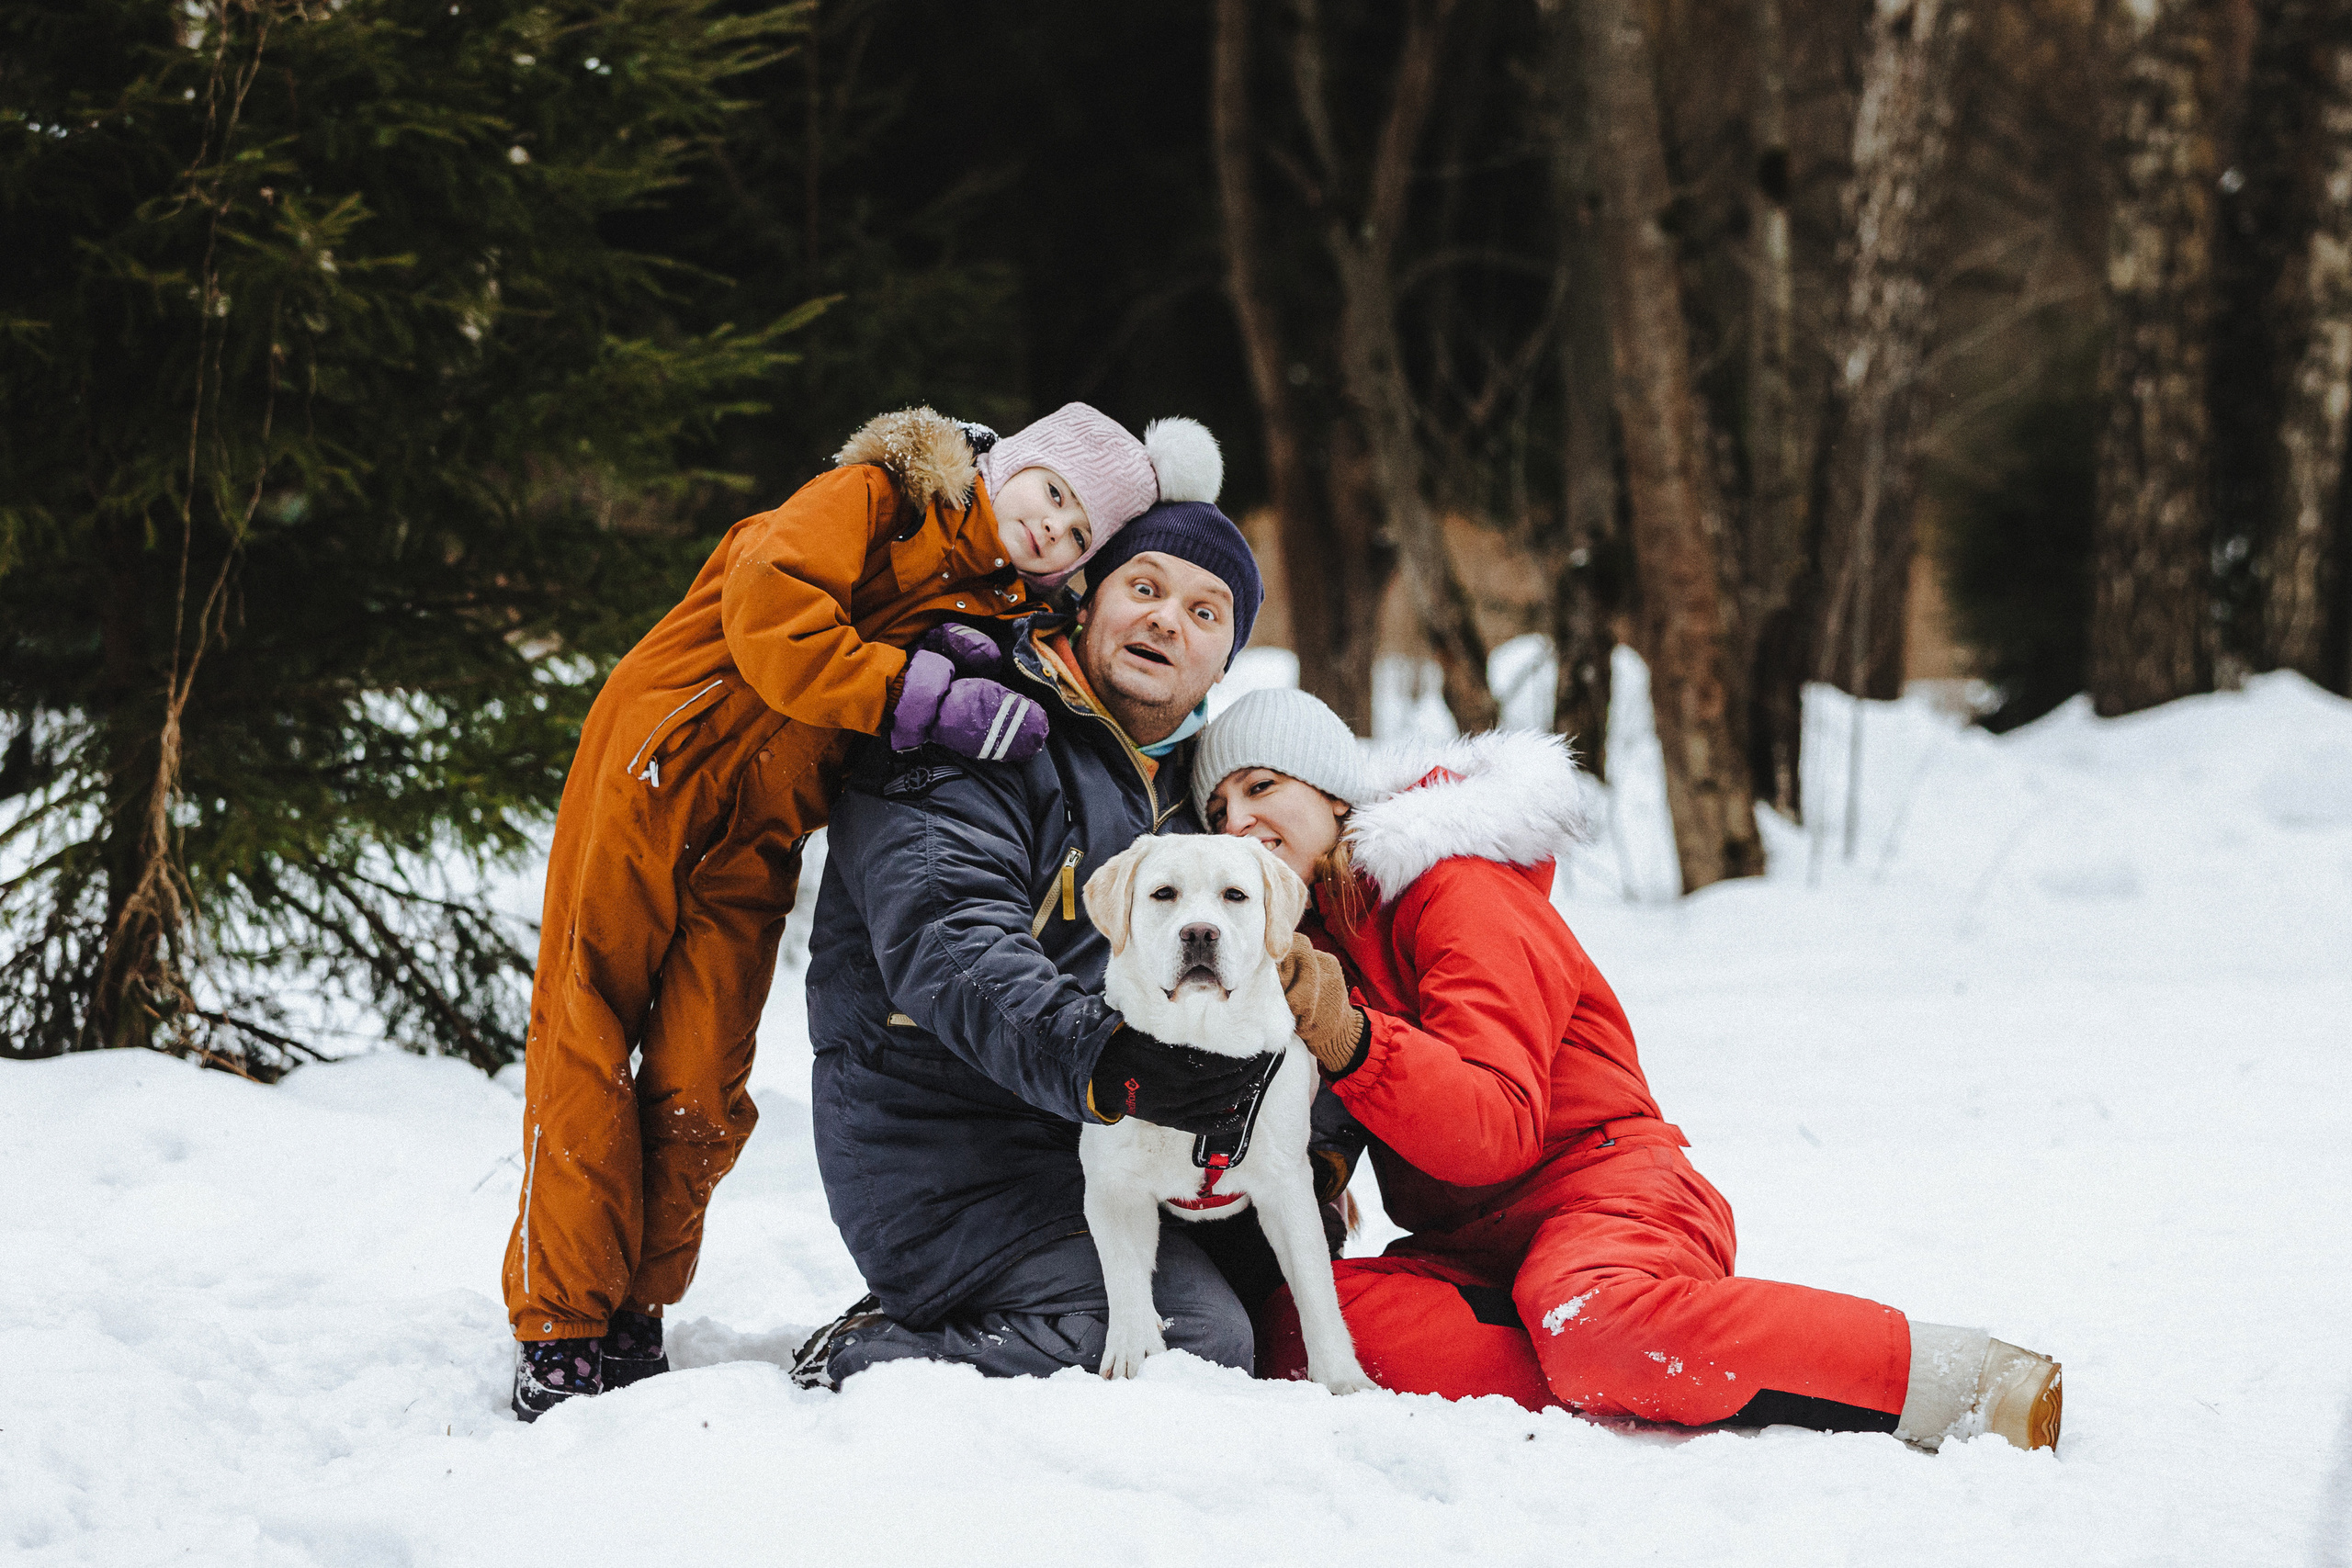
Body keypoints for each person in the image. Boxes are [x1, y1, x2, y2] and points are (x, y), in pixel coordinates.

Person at [503, 401, 1222, 1420]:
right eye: (1050, 495)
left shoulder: (998, 604)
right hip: (658, 767)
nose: (1050, 530)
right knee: (589, 1029)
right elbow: (771, 617)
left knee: (703, 1069)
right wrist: (915, 697)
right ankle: (560, 1323)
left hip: (758, 833)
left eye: (1075, 536)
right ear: (1009, 463)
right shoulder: (882, 497)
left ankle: (636, 1303)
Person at [1192, 687, 2064, 1452]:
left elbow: (1494, 1125)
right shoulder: (1303, 952)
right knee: (1301, 1326)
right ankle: (1625, 1363)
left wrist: (1350, 1037)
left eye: (1262, 785)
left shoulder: (1455, 886)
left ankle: (1957, 1379)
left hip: (1609, 1192)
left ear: (1334, 790)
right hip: (1474, 1249)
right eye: (1218, 809)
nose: (1239, 821)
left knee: (1590, 1319)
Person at [789, 497, 1328, 1389]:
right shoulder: (973, 725)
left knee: (1272, 1279)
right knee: (1195, 1338)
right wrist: (1105, 1060)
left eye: (1204, 611)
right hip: (942, 1152)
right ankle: (874, 1353)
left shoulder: (1187, 806)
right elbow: (951, 938)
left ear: (1221, 661)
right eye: (1144, 586)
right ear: (1087, 600)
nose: (1166, 618)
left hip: (1081, 1140)